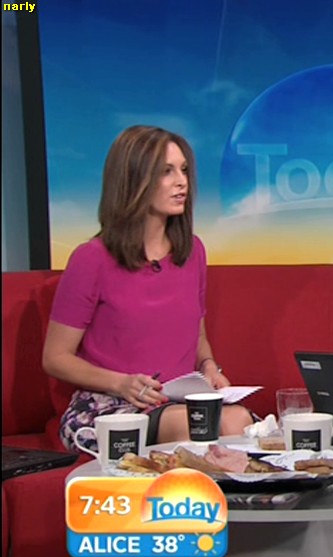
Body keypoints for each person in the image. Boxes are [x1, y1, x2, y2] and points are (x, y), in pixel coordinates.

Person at [43, 125, 254, 454]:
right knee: (199, 426)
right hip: (111, 406)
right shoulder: (92, 258)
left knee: (238, 419)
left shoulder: (193, 252)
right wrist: (122, 383)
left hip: (179, 401)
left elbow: (196, 335)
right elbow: (56, 358)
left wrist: (209, 367)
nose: (181, 182)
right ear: (133, 179)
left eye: (184, 170)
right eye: (166, 172)